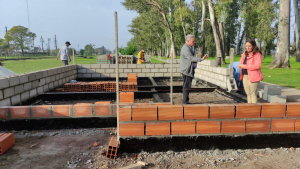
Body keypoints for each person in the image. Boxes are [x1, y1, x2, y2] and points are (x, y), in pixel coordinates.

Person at [180, 34, 207, 104]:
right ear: (188, 41)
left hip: (188, 69)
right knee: (186, 86)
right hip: (186, 70)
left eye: (194, 41)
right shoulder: (186, 48)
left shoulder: (189, 47)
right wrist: (201, 59)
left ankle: (186, 101)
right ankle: (185, 102)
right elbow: (191, 58)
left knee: (187, 85)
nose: (194, 42)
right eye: (193, 41)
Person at [238, 39, 263, 103]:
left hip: (253, 76)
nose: (247, 47)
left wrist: (244, 66)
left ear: (253, 46)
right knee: (248, 94)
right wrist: (240, 65)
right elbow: (241, 63)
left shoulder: (257, 54)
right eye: (246, 46)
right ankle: (249, 108)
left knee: (252, 93)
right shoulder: (244, 54)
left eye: (249, 46)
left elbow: (257, 66)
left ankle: (254, 110)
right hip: (245, 76)